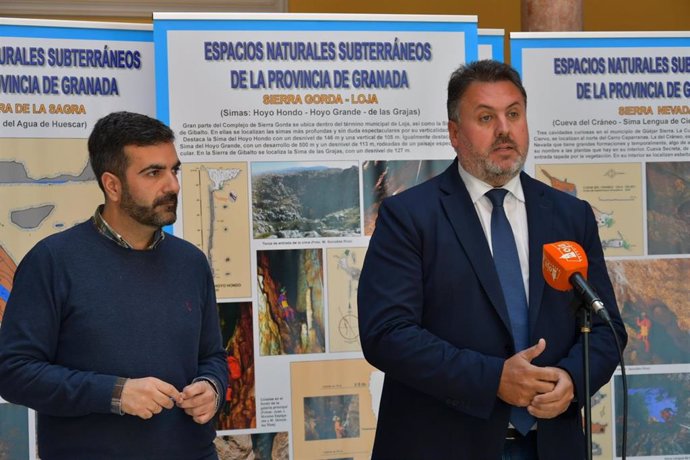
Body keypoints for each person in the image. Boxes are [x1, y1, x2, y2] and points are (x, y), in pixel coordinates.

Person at [357, 60, 627, 460]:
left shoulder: (570, 215)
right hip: (443, 445)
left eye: (514, 114)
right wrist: (493, 379)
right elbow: (387, 334)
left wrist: (572, 379)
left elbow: (606, 327)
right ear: (454, 133)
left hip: (550, 445)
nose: (505, 129)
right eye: (486, 117)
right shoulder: (410, 216)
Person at [0, 111, 228, 459]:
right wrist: (114, 393)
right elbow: (13, 372)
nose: (172, 185)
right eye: (154, 173)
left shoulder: (191, 263)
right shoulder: (52, 262)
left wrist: (212, 387)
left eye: (174, 170)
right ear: (113, 185)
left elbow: (212, 356)